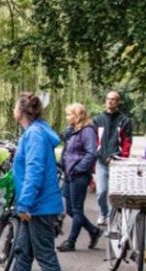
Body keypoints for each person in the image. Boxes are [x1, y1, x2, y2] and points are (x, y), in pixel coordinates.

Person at [0, 92, 70, 271]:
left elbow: (35, 170)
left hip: (38, 207)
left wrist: (24, 204)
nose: (13, 110)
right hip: (38, 205)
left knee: (44, 255)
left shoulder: (34, 134)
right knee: (22, 251)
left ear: (21, 111)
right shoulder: (37, 131)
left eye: (15, 106)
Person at [57, 103, 102, 252]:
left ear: (78, 116)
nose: (67, 117)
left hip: (78, 175)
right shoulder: (73, 130)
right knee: (69, 208)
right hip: (69, 174)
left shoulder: (87, 131)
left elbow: (91, 153)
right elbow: (67, 151)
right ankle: (93, 231)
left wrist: (79, 169)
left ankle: (71, 242)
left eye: (69, 114)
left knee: (76, 209)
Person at [92, 91, 133, 227]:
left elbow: (127, 142)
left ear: (118, 102)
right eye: (108, 99)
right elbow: (94, 141)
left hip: (117, 162)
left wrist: (123, 158)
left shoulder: (125, 121)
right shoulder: (97, 120)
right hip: (101, 161)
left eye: (113, 99)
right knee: (101, 192)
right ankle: (104, 213)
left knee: (115, 192)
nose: (110, 102)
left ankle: (111, 216)